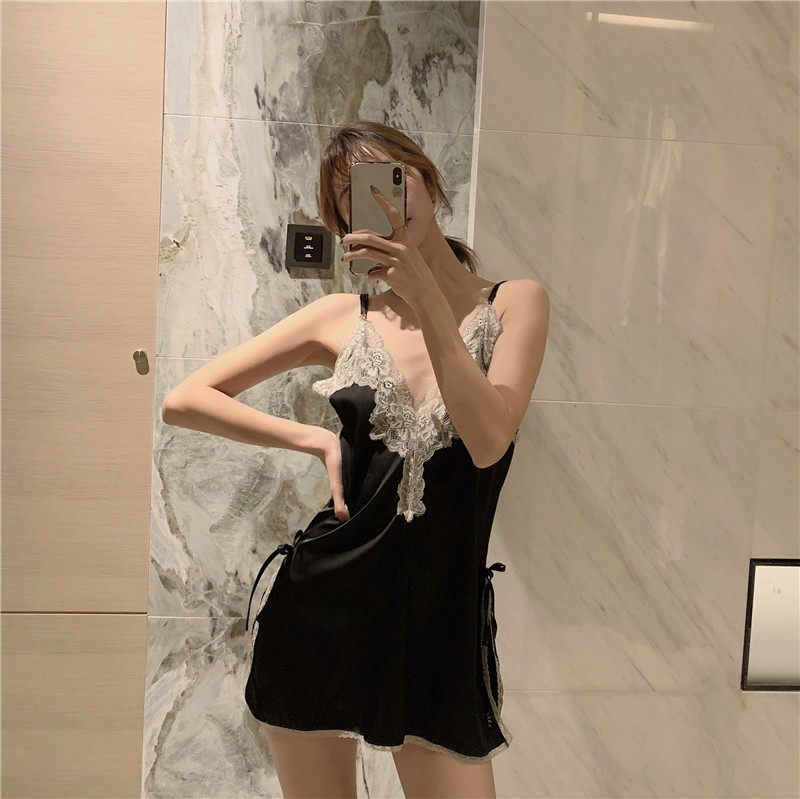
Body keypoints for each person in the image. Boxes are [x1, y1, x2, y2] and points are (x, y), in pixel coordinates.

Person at [161, 120, 550, 799]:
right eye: (353, 197)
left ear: (428, 180)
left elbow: (489, 439)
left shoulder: (515, 303)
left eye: (391, 178)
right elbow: (184, 399)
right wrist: (312, 439)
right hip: (321, 609)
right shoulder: (343, 316)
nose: (381, 202)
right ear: (346, 227)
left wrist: (427, 295)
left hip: (440, 624)